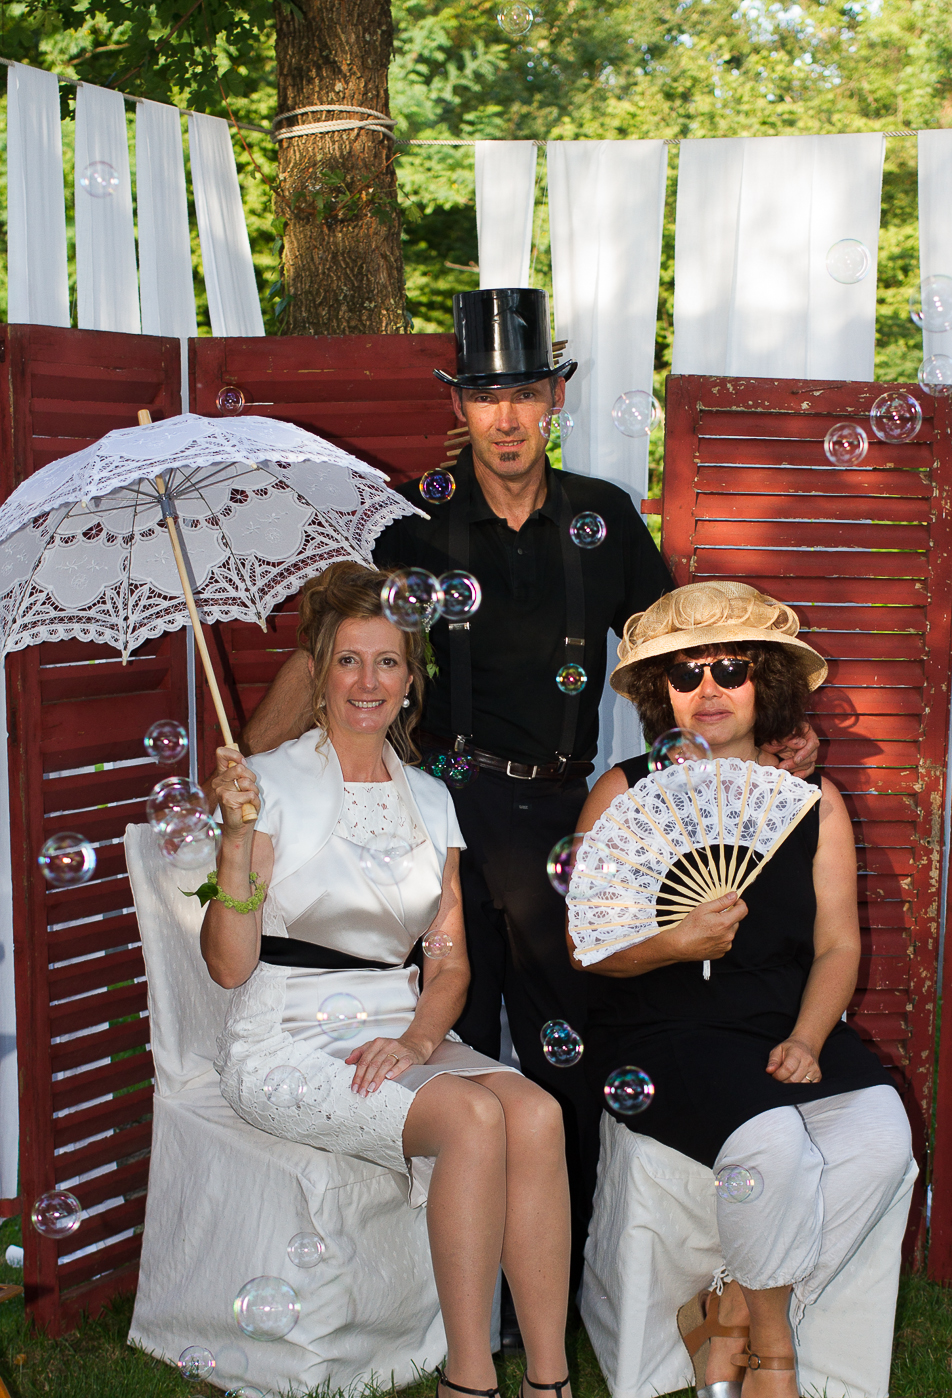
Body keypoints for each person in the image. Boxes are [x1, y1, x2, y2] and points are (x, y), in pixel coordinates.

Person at [235, 286, 818, 1317]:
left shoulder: (604, 519)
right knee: (454, 1061)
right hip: (440, 829)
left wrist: (764, 732)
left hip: (557, 823)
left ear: (555, 397)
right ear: (456, 404)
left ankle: (566, 1284)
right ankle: (463, 1307)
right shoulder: (408, 522)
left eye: (524, 393)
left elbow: (675, 658)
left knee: (571, 1064)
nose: (505, 417)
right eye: (482, 395)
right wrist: (249, 762)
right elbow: (329, 652)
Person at [202, 559, 588, 1398]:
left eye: (387, 662)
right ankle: (467, 1380)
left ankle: (547, 1380)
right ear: (318, 671)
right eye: (348, 661)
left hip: (395, 1030)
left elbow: (448, 963)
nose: (367, 682)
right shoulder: (264, 784)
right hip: (286, 1036)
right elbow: (228, 966)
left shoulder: (430, 797)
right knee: (474, 1116)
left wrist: (419, 1041)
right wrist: (235, 841)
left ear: (412, 676)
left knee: (537, 1112)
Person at [567, 579, 913, 1398]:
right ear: (662, 694)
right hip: (660, 1027)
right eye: (684, 673)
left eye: (730, 668)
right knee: (772, 1145)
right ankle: (770, 1347)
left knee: (880, 1141)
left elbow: (837, 948)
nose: (707, 689)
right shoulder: (623, 790)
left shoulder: (811, 799)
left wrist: (808, 1036)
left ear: (768, 683)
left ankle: (723, 1309)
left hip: (779, 1022)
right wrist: (673, 944)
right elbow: (587, 950)